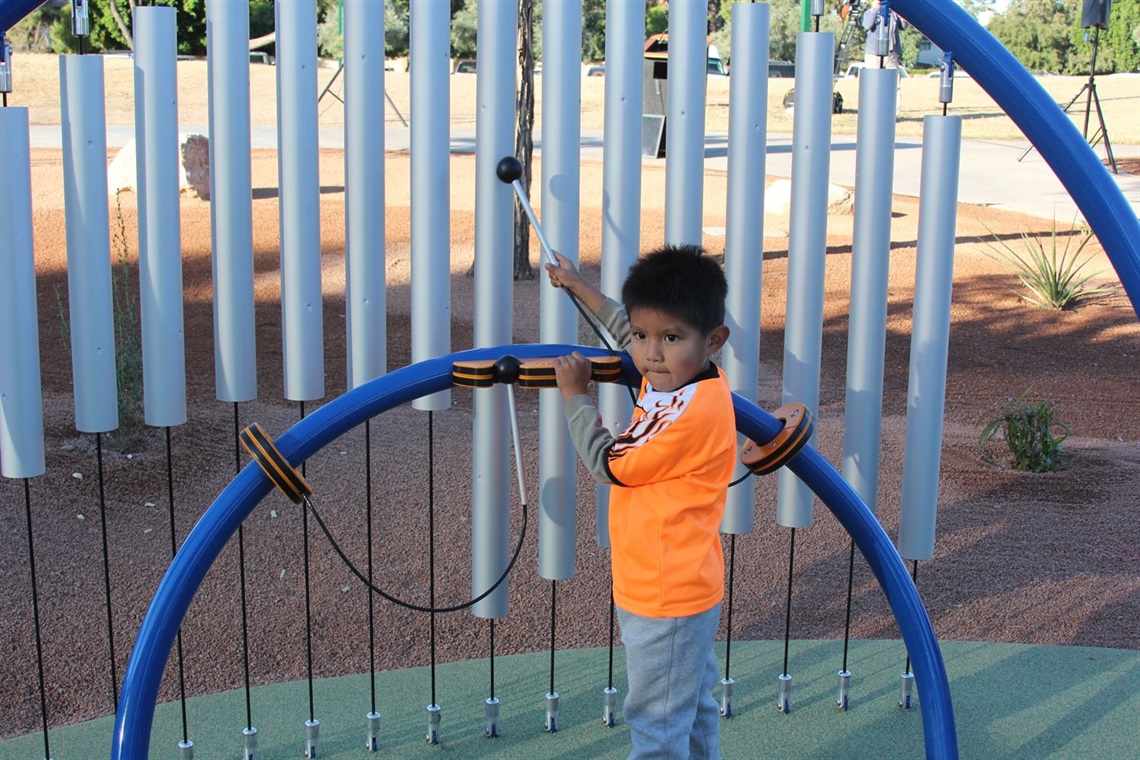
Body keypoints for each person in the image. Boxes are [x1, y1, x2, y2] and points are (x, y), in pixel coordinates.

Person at [546, 245, 735, 759]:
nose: (650, 353)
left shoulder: (692, 414)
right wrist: (576, 283)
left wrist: (573, 396)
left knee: (655, 724)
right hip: (680, 583)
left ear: (714, 339)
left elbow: (606, 464)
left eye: (670, 338)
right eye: (643, 338)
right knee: (691, 710)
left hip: (665, 593)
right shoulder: (681, 373)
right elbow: (624, 322)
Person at [863, 0, 909, 69]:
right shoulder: (870, 12)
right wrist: (875, 8)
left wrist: (902, 16)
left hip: (891, 54)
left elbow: (903, 26)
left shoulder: (894, 13)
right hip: (873, 54)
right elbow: (867, 25)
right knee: (873, 77)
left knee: (893, 77)